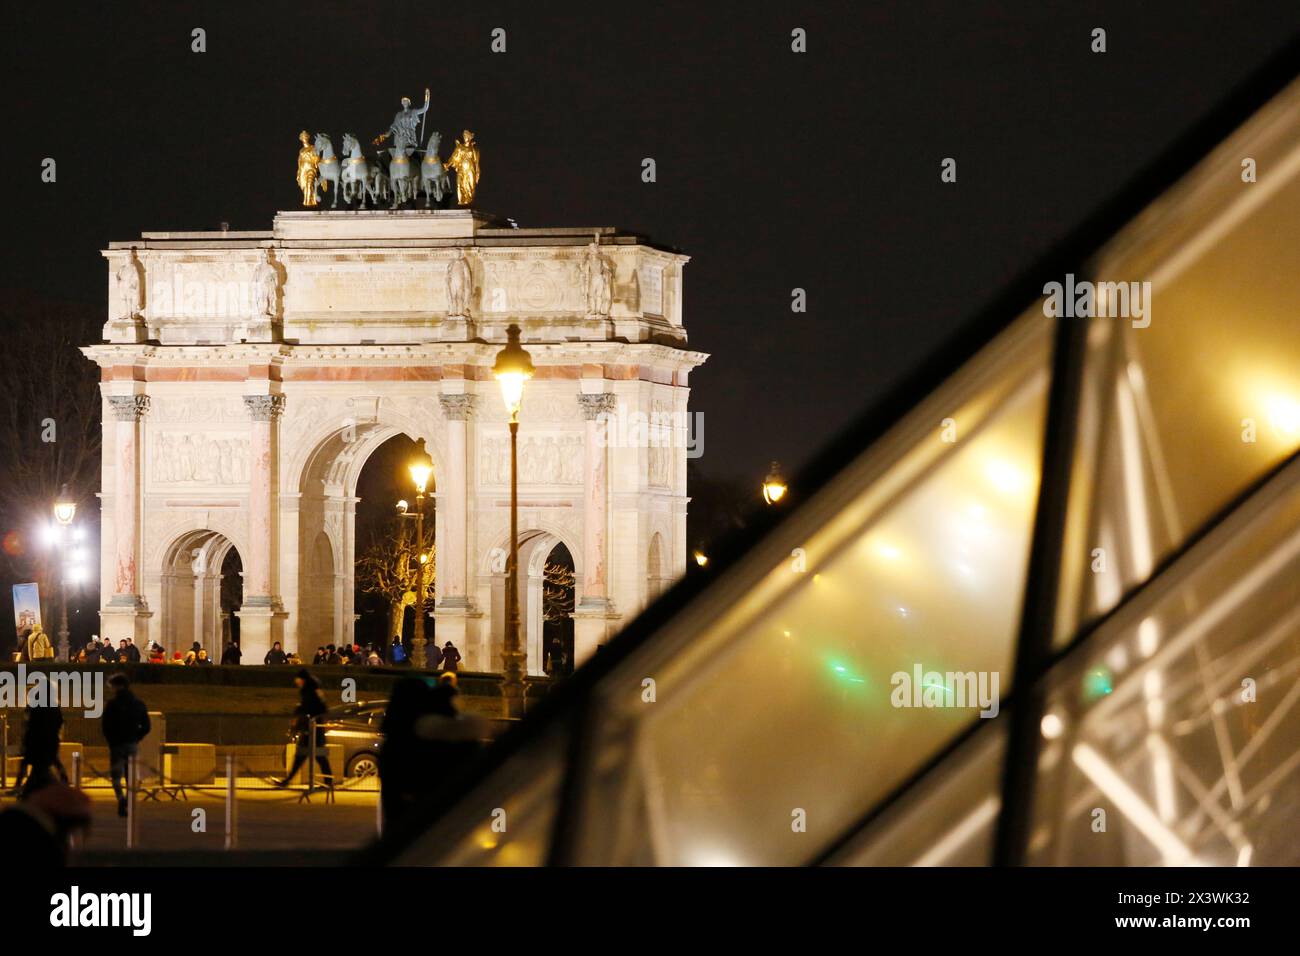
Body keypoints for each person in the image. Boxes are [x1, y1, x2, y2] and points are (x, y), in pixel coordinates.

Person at [101, 674, 151, 817]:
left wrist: (111, 740)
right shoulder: (138, 703)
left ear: (118, 686)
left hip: (116, 744)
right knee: (131, 776)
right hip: (131, 743)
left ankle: (121, 799)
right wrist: (137, 737)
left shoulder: (112, 704)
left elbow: (105, 726)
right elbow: (147, 726)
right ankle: (128, 800)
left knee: (116, 777)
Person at [275, 670, 333, 788]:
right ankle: (328, 782)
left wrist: (299, 712)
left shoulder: (310, 692)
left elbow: (309, 708)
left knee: (308, 756)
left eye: (298, 679)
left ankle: (287, 781)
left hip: (312, 730)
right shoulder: (312, 691)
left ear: (303, 679)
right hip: (313, 730)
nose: (296, 682)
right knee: (313, 756)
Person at [10, 698, 68, 797]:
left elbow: (30, 724)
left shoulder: (36, 707)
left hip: (36, 742)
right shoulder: (54, 706)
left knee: (26, 763)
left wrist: (26, 742)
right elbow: (59, 722)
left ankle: (19, 786)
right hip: (50, 741)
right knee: (54, 761)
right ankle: (64, 781)